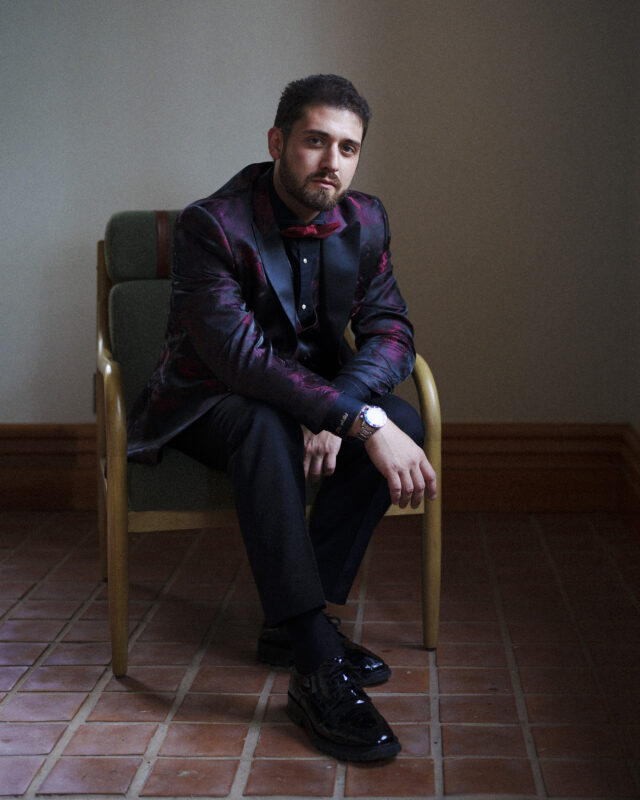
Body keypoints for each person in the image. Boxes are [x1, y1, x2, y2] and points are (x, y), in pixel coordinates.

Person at [127, 74, 437, 762]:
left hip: (314, 397)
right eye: (316, 141)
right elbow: (240, 360)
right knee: (263, 421)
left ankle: (290, 624)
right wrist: (354, 420)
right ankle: (313, 660)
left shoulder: (367, 219)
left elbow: (390, 331)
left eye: (348, 148)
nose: (333, 161)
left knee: (406, 421)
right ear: (278, 142)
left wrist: (345, 412)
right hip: (205, 402)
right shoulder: (211, 223)